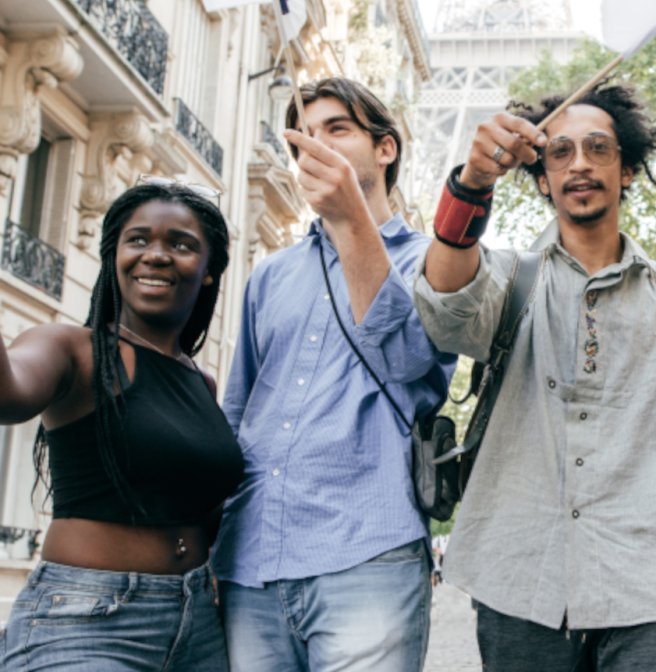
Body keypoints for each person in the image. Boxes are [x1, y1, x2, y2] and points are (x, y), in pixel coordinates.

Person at [414, 83, 656, 671]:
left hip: (648, 590)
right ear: (541, 178)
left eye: (598, 148)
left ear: (629, 170)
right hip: (519, 581)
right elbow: (445, 307)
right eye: (559, 153)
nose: (580, 163)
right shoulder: (508, 278)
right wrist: (472, 185)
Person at [211, 78, 454, 671]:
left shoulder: (434, 262)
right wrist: (215, 544)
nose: (315, 148)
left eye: (337, 130)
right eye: (304, 138)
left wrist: (350, 222)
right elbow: (237, 413)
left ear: (386, 148)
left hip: (368, 556)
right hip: (251, 561)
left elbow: (407, 362)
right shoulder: (269, 277)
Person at [0, 181, 238, 671]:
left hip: (197, 627)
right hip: (88, 621)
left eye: (181, 244)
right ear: (115, 257)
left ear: (209, 272)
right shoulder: (73, 349)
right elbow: (10, 395)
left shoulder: (203, 384)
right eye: (138, 240)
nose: (156, 255)